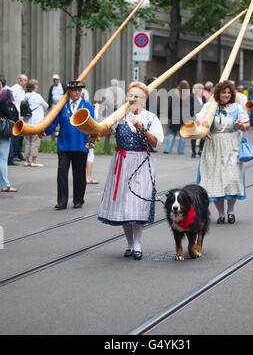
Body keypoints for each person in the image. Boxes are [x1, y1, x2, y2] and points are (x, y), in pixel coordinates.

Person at [93, 82, 164, 260]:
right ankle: (130, 244)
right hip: (122, 163)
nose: (132, 99)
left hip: (141, 162)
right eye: (130, 95)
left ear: (144, 99)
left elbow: (155, 142)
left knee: (138, 203)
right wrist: (92, 138)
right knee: (125, 203)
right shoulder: (120, 116)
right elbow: (104, 130)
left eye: (136, 96)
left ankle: (138, 244)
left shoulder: (151, 118)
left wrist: (142, 128)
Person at [196, 80, 250, 224]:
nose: (226, 95)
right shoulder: (210, 106)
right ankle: (220, 214)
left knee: (232, 178)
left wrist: (241, 126)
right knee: (216, 180)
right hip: (213, 145)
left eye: (228, 92)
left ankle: (230, 211)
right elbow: (199, 118)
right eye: (223, 92)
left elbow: (247, 124)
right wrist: (203, 122)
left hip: (232, 145)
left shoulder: (237, 108)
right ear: (218, 93)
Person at [44, 81, 95, 209]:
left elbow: (93, 125)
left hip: (80, 145)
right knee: (62, 173)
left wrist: (92, 140)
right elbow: (53, 122)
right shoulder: (62, 106)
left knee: (79, 174)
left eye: (79, 89)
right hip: (64, 145)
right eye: (74, 90)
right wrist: (43, 131)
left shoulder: (87, 105)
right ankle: (62, 201)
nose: (77, 92)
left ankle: (78, 200)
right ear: (69, 92)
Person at [23, 79, 48, 167]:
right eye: (36, 85)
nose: (37, 86)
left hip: (26, 122)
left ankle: (26, 160)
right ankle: (34, 160)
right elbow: (46, 105)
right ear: (34, 87)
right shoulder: (37, 96)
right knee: (35, 141)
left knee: (27, 141)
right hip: (36, 122)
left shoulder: (25, 95)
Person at [164, 80, 191, 155]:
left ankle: (167, 149)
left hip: (175, 115)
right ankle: (181, 151)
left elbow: (170, 107)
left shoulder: (175, 95)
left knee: (172, 132)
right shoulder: (189, 96)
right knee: (183, 134)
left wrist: (169, 117)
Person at [0, 80, 18, 192]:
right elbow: (10, 115)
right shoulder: (2, 101)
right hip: (2, 131)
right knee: (2, 158)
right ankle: (5, 185)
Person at [10, 74, 28, 162]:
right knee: (15, 136)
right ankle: (13, 155)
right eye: (25, 80)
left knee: (21, 136)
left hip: (21, 116)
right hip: (16, 115)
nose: (26, 82)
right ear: (20, 81)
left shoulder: (22, 90)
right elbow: (10, 100)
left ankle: (19, 153)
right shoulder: (14, 89)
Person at [190, 83, 206, 158]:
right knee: (193, 135)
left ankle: (201, 150)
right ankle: (193, 151)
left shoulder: (203, 97)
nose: (201, 91)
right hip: (193, 118)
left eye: (201, 89)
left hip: (202, 119)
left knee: (202, 134)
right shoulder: (191, 97)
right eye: (199, 89)